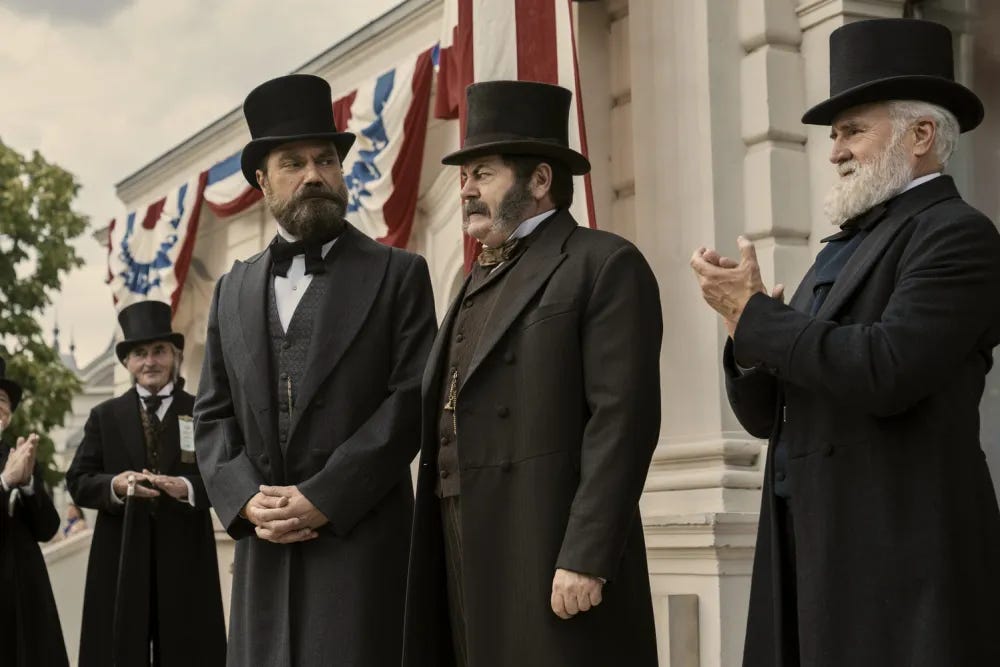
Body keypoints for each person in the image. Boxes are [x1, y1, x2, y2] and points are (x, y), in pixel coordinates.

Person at [690, 18, 1000, 666]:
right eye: (834, 135)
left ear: (920, 135)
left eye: (853, 130)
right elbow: (766, 413)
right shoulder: (844, 247)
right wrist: (745, 338)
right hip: (808, 547)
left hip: (899, 563)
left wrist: (760, 320)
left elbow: (885, 369)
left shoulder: (957, 235)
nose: (834, 150)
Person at [402, 80, 663, 667]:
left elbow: (623, 419)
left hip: (545, 540)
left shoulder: (604, 263)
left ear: (540, 180)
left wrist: (587, 554)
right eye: (464, 175)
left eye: (483, 174)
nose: (465, 190)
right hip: (460, 535)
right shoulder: (470, 278)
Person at [194, 73, 437, 667]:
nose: (313, 175)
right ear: (261, 180)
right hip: (265, 553)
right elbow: (212, 414)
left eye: (326, 160)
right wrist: (247, 499)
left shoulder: (399, 273)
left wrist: (326, 496)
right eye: (293, 163)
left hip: (363, 546)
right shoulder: (231, 289)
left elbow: (411, 400)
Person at [66, 300, 226, 666]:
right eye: (140, 353)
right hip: (120, 551)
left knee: (188, 647)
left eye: (158, 351)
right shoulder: (104, 416)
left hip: (184, 550)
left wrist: (184, 488)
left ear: (174, 355)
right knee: (120, 646)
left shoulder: (201, 410)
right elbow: (78, 480)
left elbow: (221, 476)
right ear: (127, 362)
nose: (150, 361)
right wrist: (116, 486)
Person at [0, 357, 70, 667]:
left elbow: (47, 528)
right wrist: (4, 482)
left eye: (1, 400)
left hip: (22, 593)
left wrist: (28, 485)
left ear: (9, 414)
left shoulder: (18, 456)